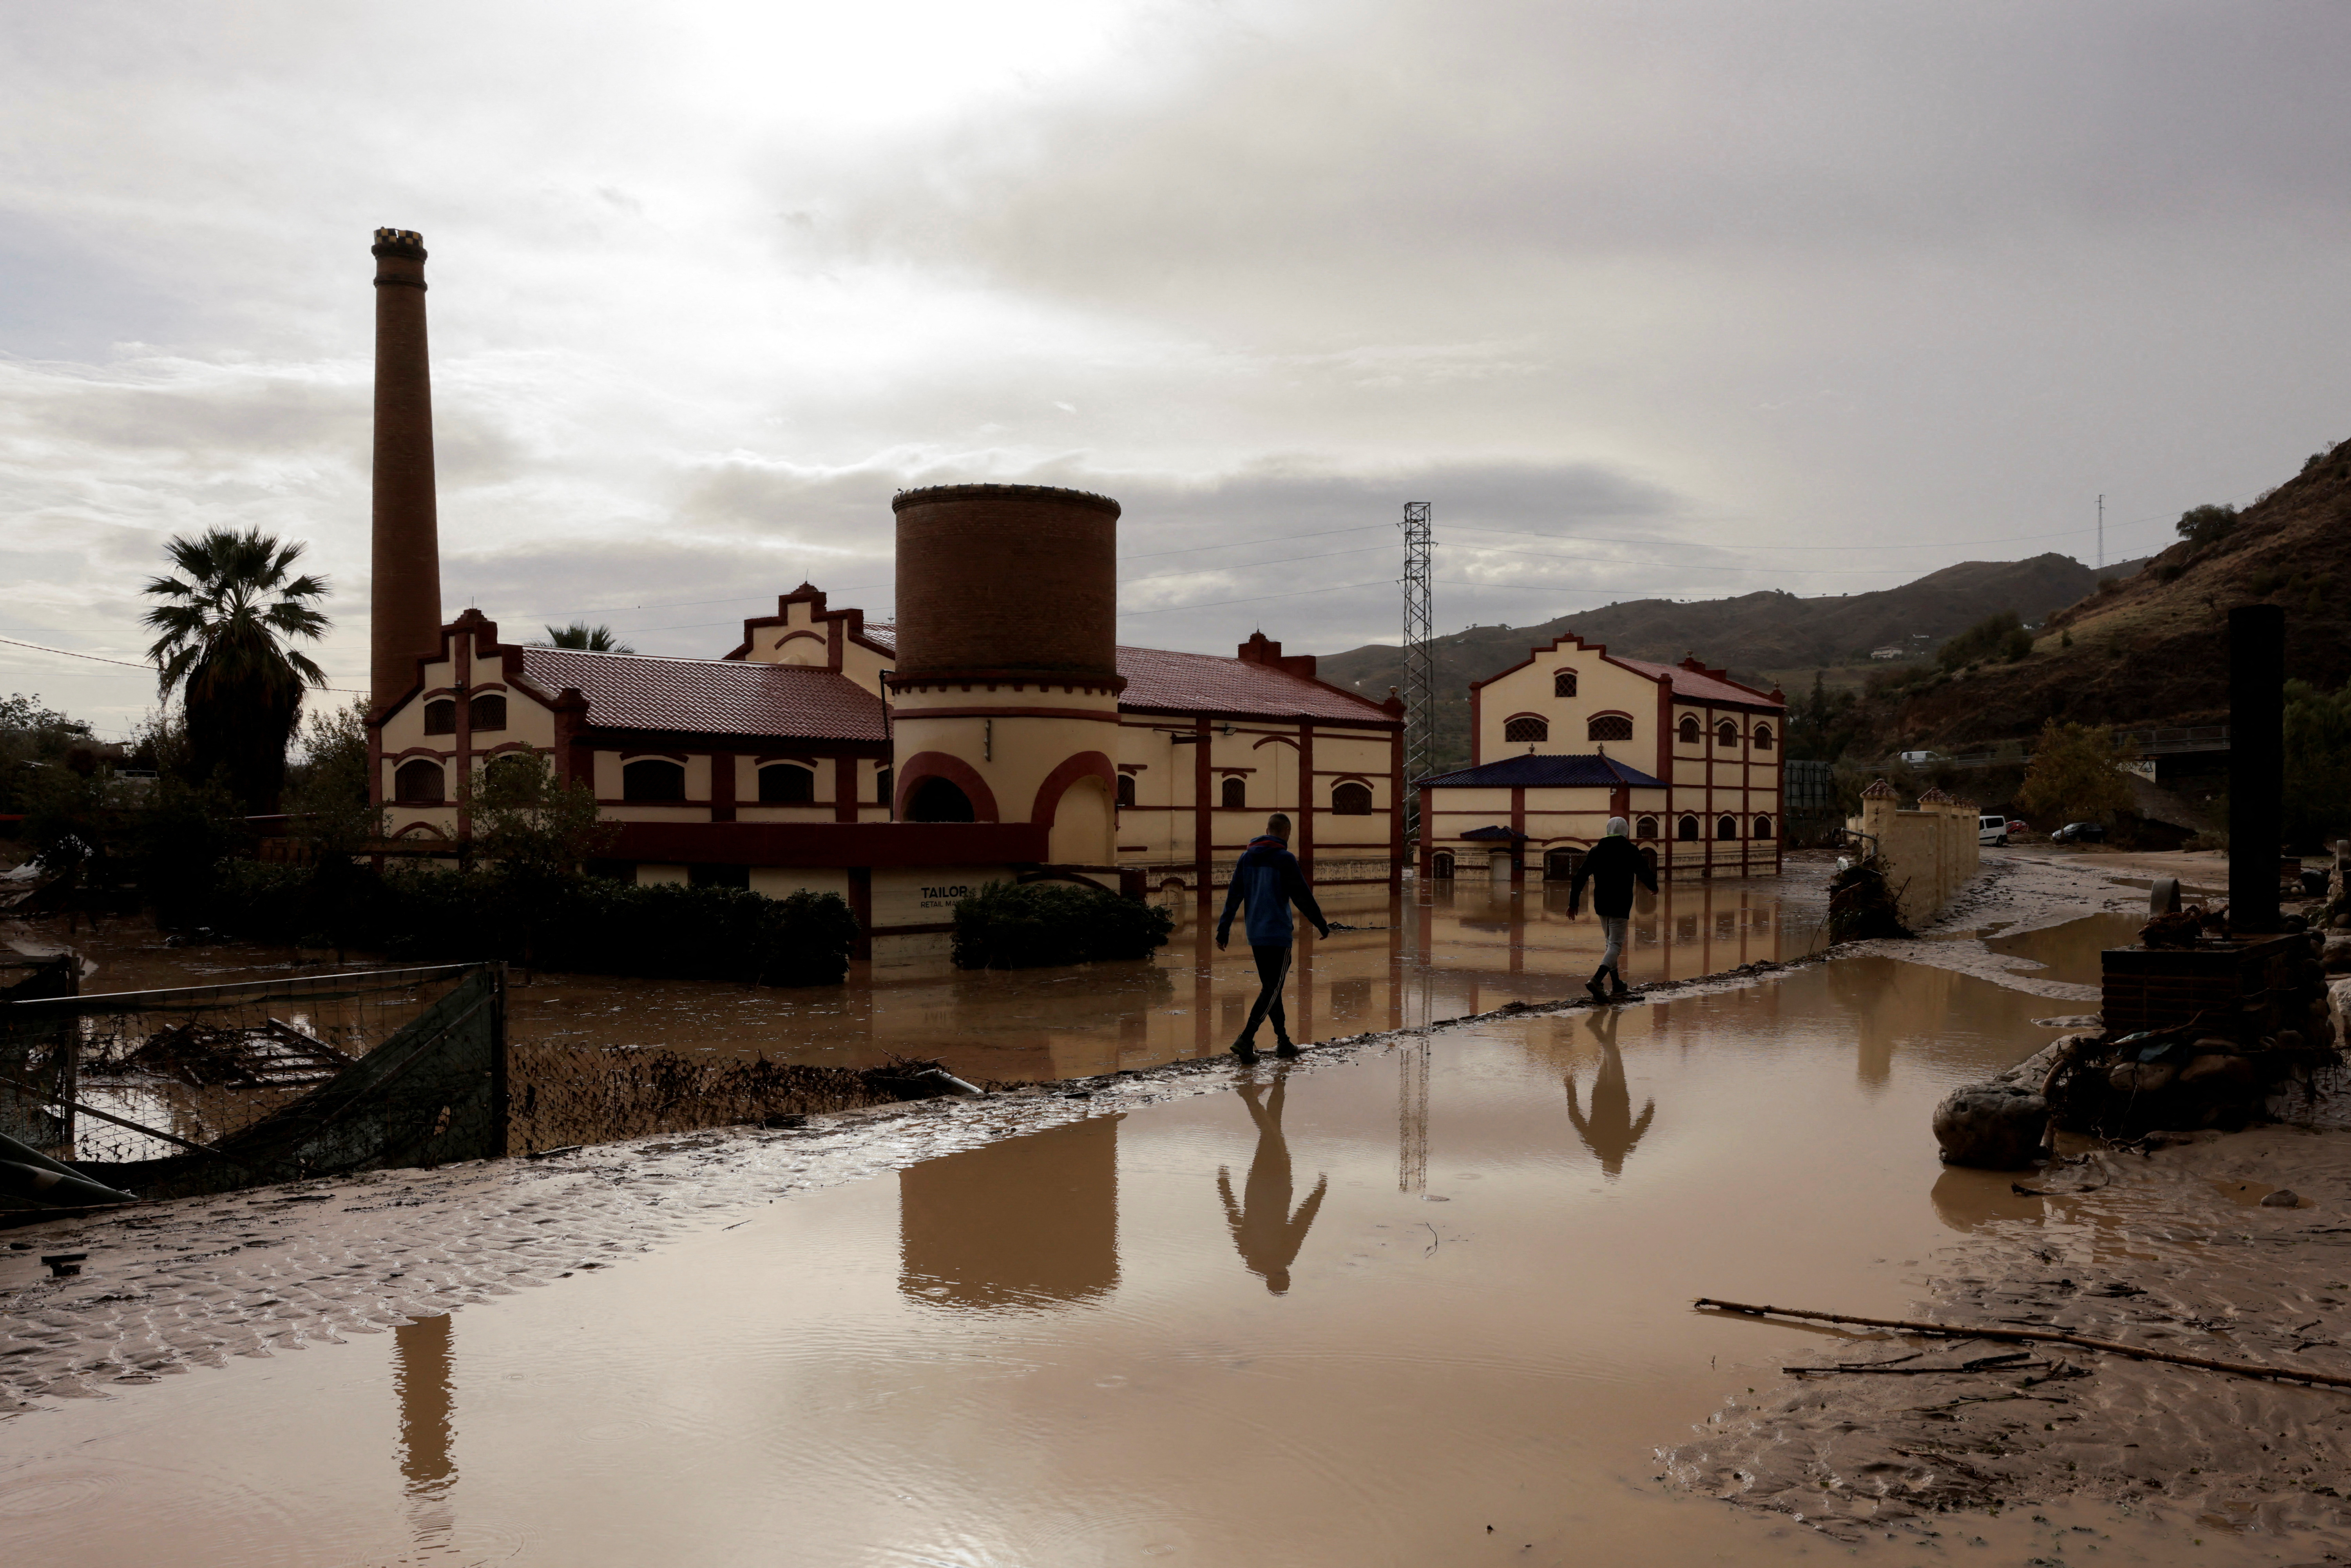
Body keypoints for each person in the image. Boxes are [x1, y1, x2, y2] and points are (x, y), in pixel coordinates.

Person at [1215, 812, 1330, 1061]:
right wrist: (1321, 924)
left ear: (1267, 829)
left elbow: (1234, 895)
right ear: (1287, 832)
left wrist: (1223, 930)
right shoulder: (1285, 858)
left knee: (1272, 988)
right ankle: (1246, 1038)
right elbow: (1302, 896)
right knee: (1272, 988)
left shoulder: (1246, 858)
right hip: (1277, 933)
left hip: (1255, 934)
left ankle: (1284, 1043)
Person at [1567, 816, 1657, 1002]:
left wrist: (1573, 902)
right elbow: (1643, 870)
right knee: (1615, 945)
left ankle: (1617, 984)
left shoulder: (1597, 851)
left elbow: (1580, 876)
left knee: (1610, 944)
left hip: (1601, 902)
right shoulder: (1631, 850)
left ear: (1608, 830)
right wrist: (1653, 886)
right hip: (1621, 902)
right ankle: (1596, 980)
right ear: (1626, 831)